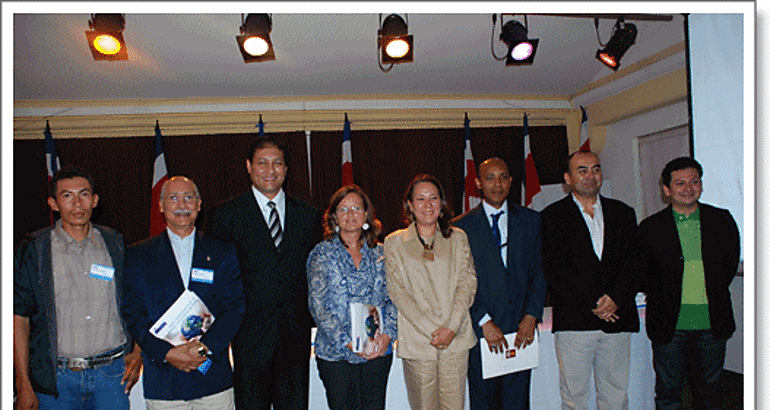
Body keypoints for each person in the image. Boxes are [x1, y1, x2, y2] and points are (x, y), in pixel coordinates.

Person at [207, 136, 322, 410]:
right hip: (248, 337)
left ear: (286, 169)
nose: (270, 170)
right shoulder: (225, 215)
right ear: (248, 166)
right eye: (262, 163)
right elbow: (218, 280)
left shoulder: (308, 215)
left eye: (277, 163)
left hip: (295, 336)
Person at [13, 167, 142, 410]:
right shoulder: (35, 249)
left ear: (94, 200)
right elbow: (20, 318)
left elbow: (137, 300)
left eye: (83, 195)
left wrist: (138, 352)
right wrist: (22, 384)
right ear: (53, 203)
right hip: (57, 381)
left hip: (112, 376)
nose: (77, 204)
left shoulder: (115, 243)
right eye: (67, 196)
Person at [121, 176, 245, 409]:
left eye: (188, 198)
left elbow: (234, 308)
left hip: (212, 377)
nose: (182, 205)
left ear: (199, 204)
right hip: (164, 381)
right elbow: (133, 314)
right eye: (173, 198)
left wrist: (203, 348)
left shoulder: (222, 252)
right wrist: (167, 353)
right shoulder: (138, 255)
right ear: (161, 205)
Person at [540, 151, 641, 410]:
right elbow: (554, 270)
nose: (590, 176)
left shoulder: (623, 212)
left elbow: (633, 263)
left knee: (616, 395)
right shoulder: (551, 217)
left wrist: (615, 299)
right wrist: (595, 303)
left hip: (617, 319)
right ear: (568, 178)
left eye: (595, 169)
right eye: (582, 170)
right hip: (575, 323)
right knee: (574, 398)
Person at [639, 157, 740, 410]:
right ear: (667, 189)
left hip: (711, 321)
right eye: (680, 183)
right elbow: (643, 272)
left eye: (694, 181)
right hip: (670, 324)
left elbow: (728, 266)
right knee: (668, 393)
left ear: (701, 185)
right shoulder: (651, 227)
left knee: (711, 393)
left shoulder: (721, 220)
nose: (688, 188)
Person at [453, 158, 546, 410]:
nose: (498, 184)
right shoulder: (460, 228)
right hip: (481, 333)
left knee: (518, 404)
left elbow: (539, 273)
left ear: (511, 181)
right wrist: (483, 321)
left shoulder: (531, 221)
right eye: (490, 177)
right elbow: (459, 283)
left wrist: (531, 316)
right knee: (484, 404)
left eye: (503, 177)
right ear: (478, 183)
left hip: (521, 332)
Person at [384, 174, 477, 410]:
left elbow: (467, 283)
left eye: (433, 198)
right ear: (410, 205)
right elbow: (397, 292)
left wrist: (451, 328)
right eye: (421, 199)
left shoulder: (458, 238)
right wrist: (433, 332)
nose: (428, 205)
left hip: (455, 339)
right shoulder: (394, 242)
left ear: (442, 204)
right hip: (418, 341)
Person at [306, 185, 397, 410]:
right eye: (343, 208)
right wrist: (350, 343)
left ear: (366, 214)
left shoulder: (383, 253)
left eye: (356, 208)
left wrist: (387, 337)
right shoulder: (321, 253)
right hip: (337, 355)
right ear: (334, 216)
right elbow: (318, 307)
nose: (350, 214)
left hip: (377, 351)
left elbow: (394, 299)